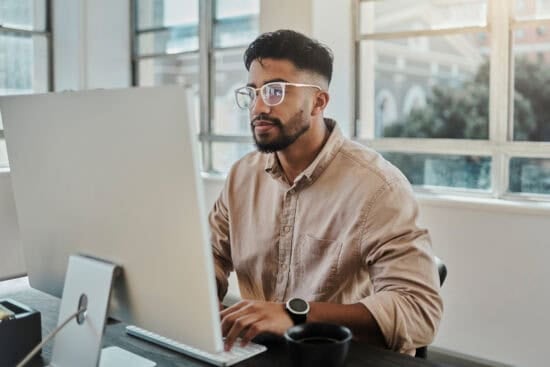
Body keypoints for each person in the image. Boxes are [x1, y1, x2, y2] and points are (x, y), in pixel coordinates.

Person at [209, 29, 443, 356]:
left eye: (275, 91)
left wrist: (294, 314)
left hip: (341, 358)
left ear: (319, 101)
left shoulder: (379, 187)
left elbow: (419, 311)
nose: (258, 107)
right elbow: (211, 256)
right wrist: (200, 298)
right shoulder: (241, 176)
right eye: (253, 92)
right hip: (257, 353)